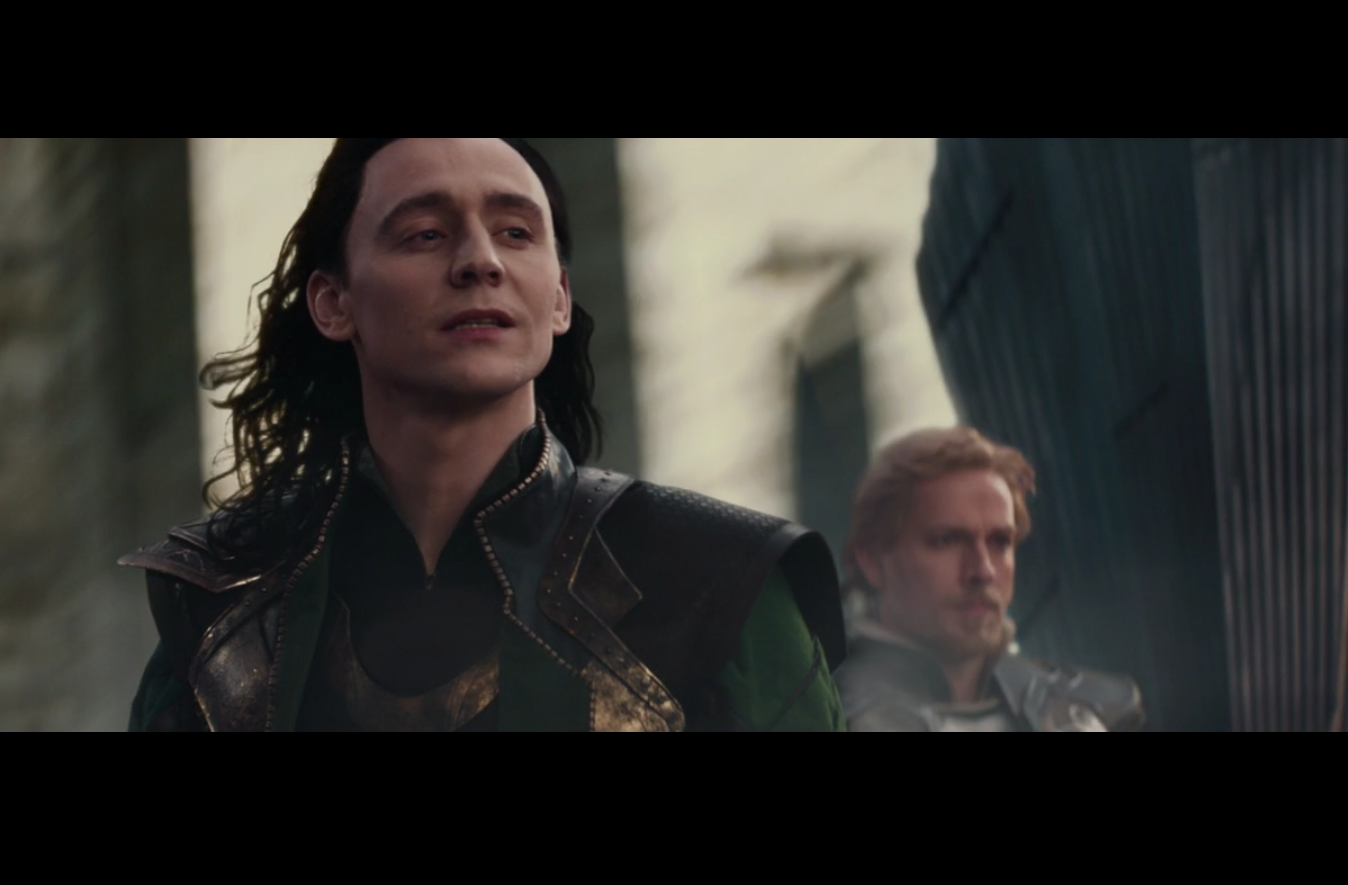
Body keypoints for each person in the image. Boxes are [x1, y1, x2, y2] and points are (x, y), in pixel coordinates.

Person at [121, 138, 847, 732]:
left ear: (558, 297)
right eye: (425, 234)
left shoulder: (716, 585)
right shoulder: (226, 615)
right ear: (333, 302)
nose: (481, 262)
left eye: (516, 233)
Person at [835, 426, 1144, 732]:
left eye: (999, 542)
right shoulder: (825, 718)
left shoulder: (1090, 711)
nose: (983, 571)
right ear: (872, 561)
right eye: (946, 540)